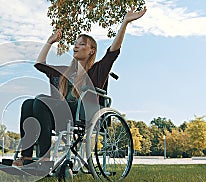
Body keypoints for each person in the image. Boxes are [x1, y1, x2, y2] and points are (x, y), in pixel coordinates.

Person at [13, 6, 147, 166]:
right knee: (28, 104)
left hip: (83, 115)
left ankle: (44, 160)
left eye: (82, 44)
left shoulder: (97, 70)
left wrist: (124, 22)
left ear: (91, 51)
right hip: (60, 116)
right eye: (75, 44)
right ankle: (27, 157)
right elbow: (39, 64)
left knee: (40, 100)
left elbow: (113, 52)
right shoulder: (64, 72)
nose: (76, 46)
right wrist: (49, 42)